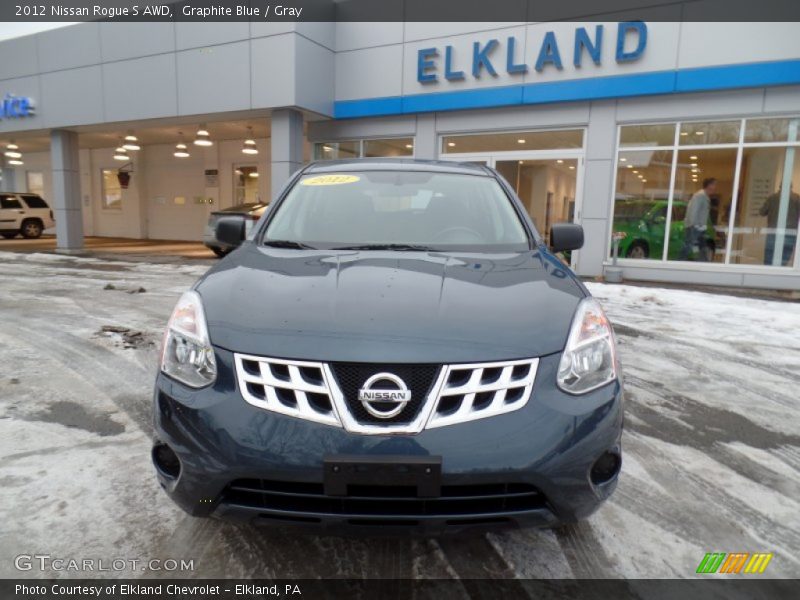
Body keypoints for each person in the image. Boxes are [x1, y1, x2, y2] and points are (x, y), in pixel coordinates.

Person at [760, 185, 800, 266]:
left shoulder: (772, 198)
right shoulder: (797, 198)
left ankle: (768, 273)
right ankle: (779, 272)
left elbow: (762, 212)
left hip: (773, 231)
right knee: (785, 255)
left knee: (769, 255)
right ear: (791, 187)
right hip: (790, 231)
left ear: (779, 187)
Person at [679, 178, 716, 261]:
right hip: (695, 227)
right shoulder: (700, 195)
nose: (715, 187)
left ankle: (704, 262)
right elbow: (693, 210)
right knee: (688, 245)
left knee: (702, 246)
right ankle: (679, 262)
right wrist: (695, 224)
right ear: (709, 185)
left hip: (700, 227)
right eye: (714, 184)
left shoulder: (705, 196)